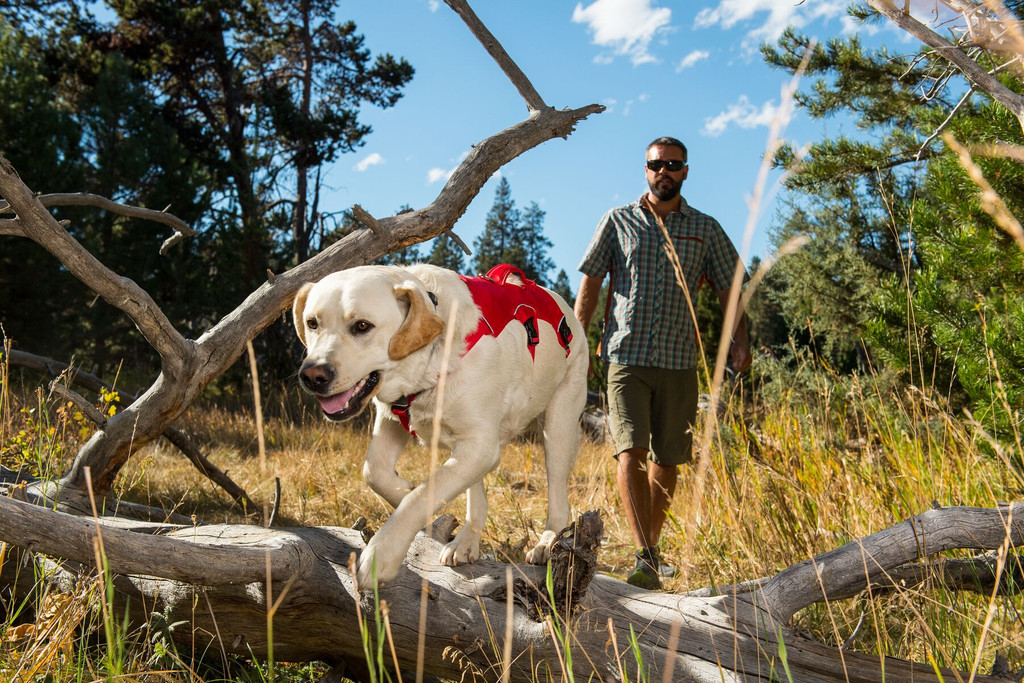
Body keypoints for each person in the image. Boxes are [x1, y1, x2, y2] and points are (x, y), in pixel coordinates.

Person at [574, 136, 751, 590]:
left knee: (666, 460)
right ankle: (646, 555)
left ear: (686, 171)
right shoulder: (619, 221)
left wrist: (739, 341)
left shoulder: (705, 229)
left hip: (677, 361)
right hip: (624, 356)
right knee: (629, 450)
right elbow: (591, 282)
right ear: (646, 169)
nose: (664, 172)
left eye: (673, 165)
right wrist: (577, 339)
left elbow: (731, 286)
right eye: (656, 165)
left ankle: (649, 552)